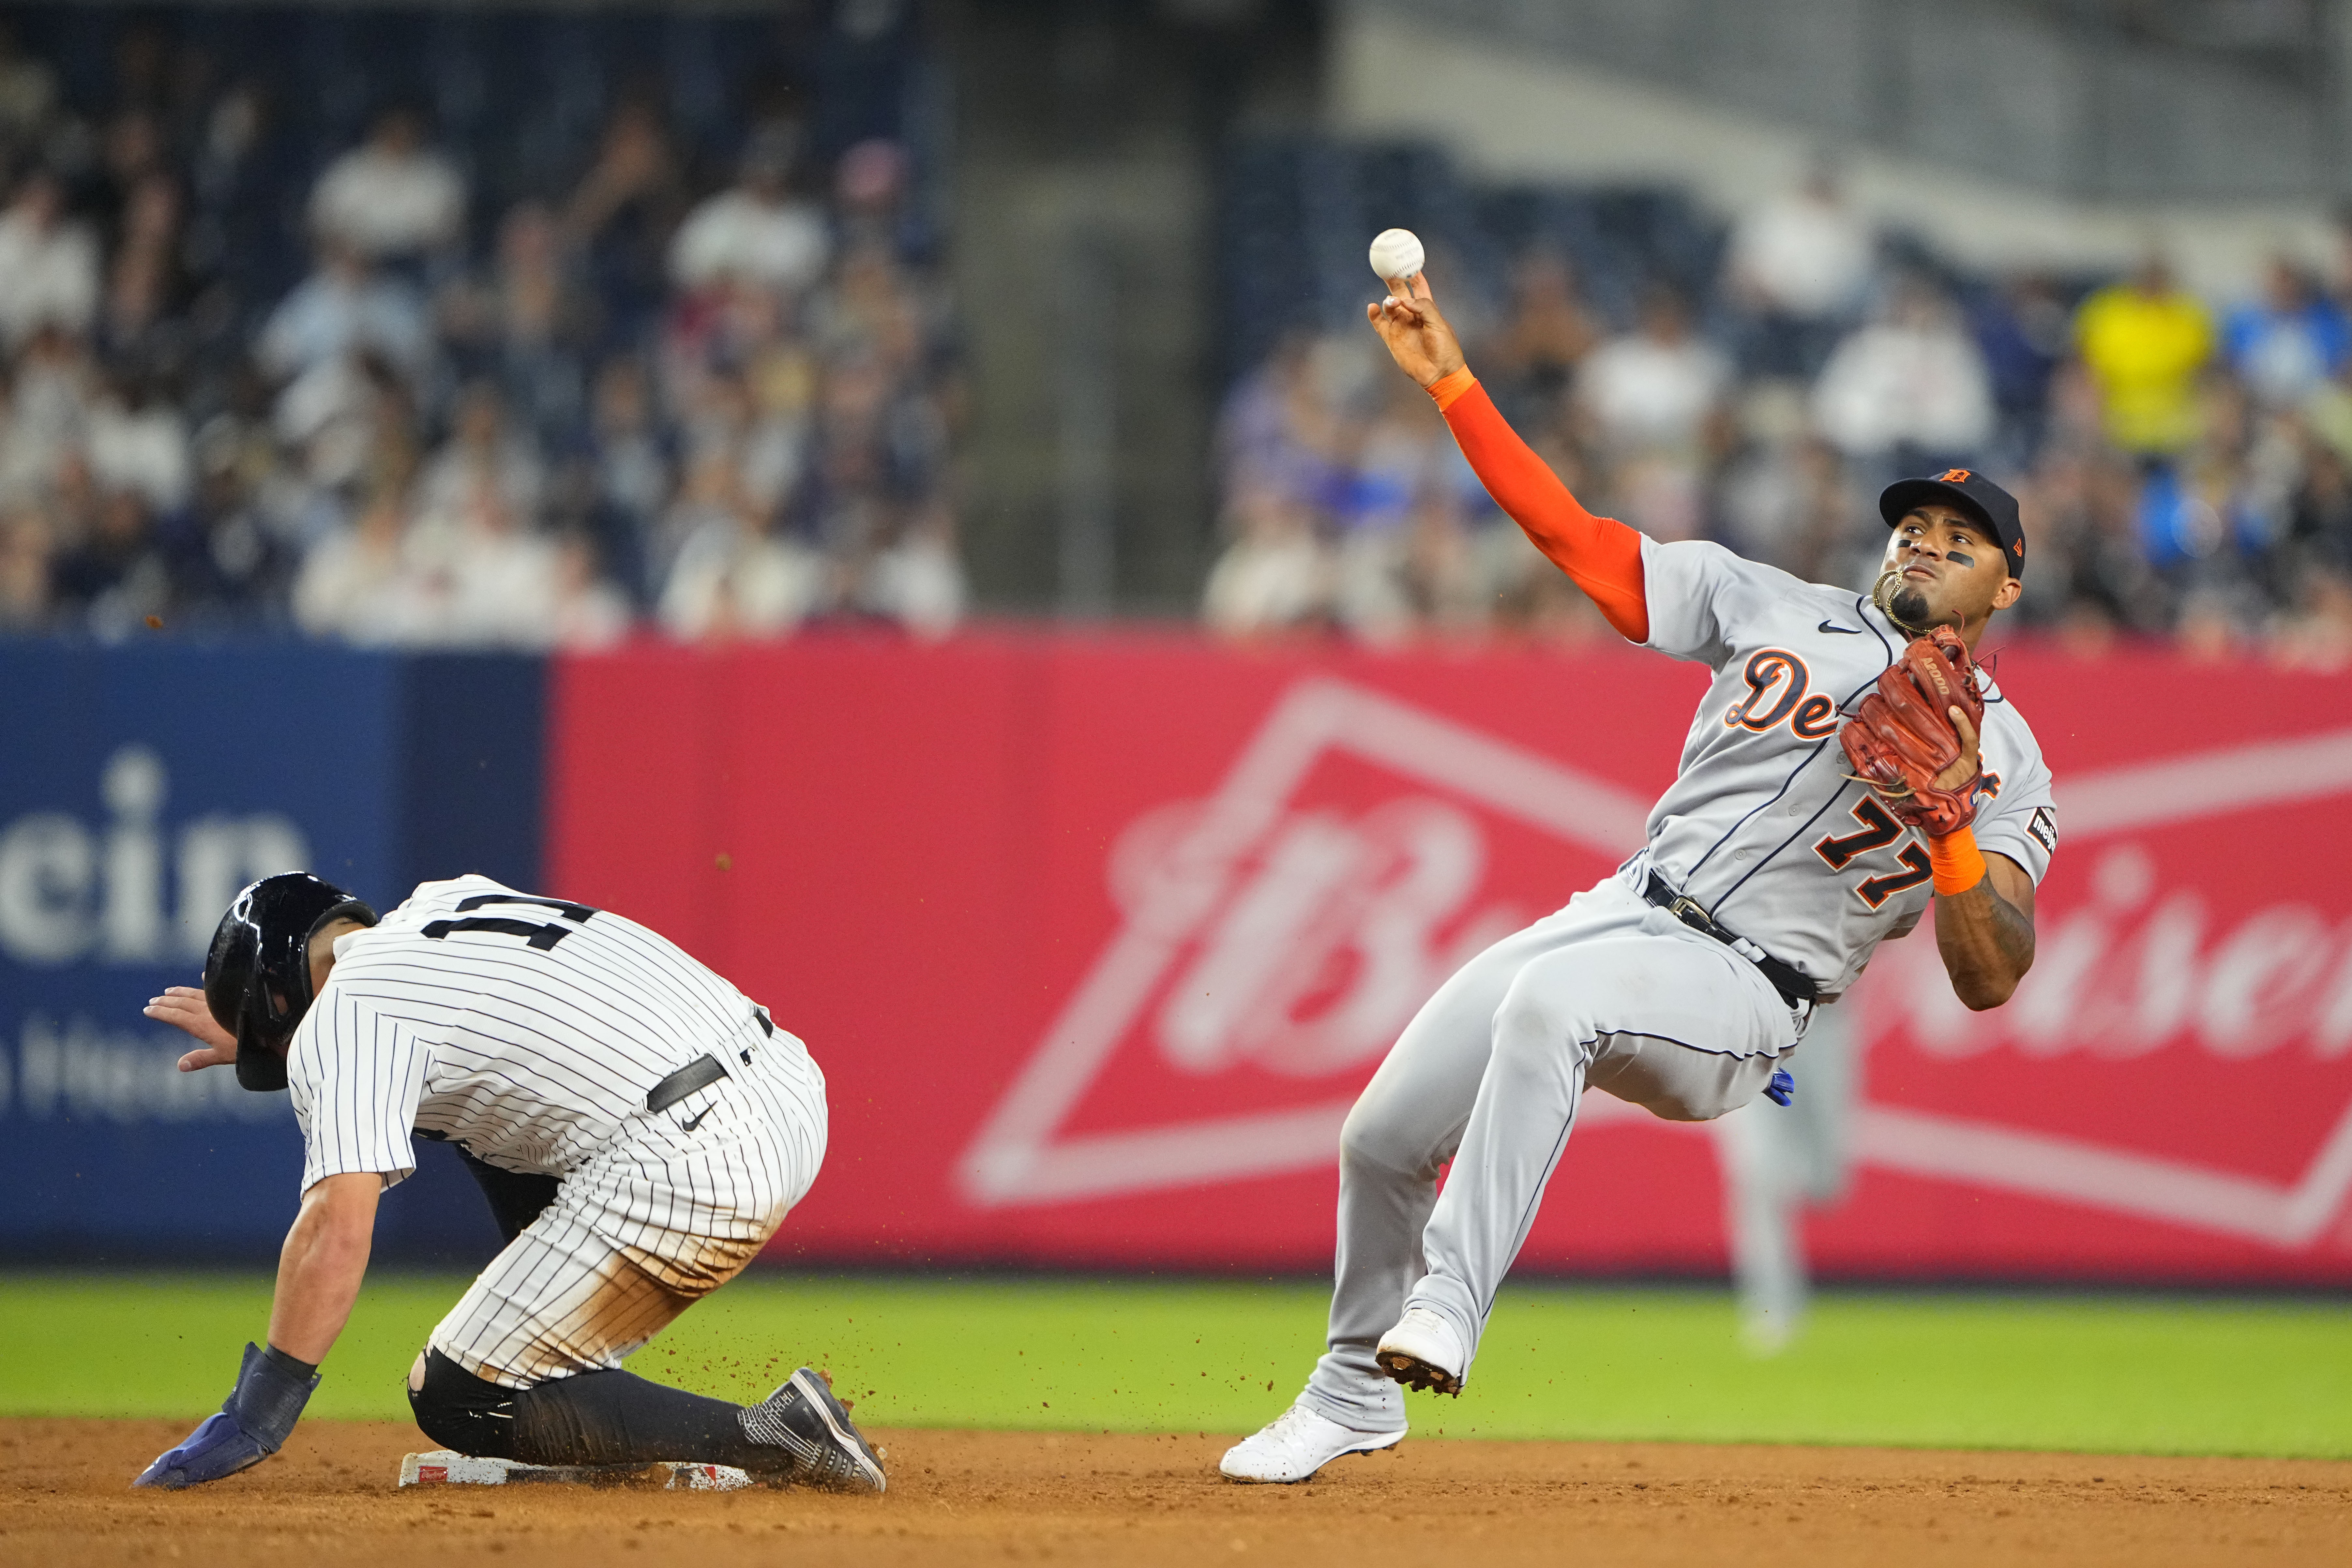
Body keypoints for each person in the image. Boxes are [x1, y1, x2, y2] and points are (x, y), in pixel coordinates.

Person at [1220, 265, 2056, 1484]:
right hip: (1626, 907)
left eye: (1960, 540)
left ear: (2006, 584)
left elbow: (1994, 972)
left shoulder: (2014, 758)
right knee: (1380, 1135)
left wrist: (1951, 830)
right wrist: (1452, 384)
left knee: (1555, 1009)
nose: (1926, 544)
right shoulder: (1770, 602)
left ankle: (1450, 1305)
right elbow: (1573, 535)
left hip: (1751, 992)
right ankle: (1350, 1393)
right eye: (1913, 527)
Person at [130, 871, 885, 1492]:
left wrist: (260, 1409)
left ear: (282, 1004)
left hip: (690, 1160)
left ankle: (773, 1433)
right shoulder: (443, 903)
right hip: (785, 1086)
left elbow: (336, 1225)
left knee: (456, 1394)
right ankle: (588, 1413)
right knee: (474, 1122)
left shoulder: (344, 1020)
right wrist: (288, 1041)